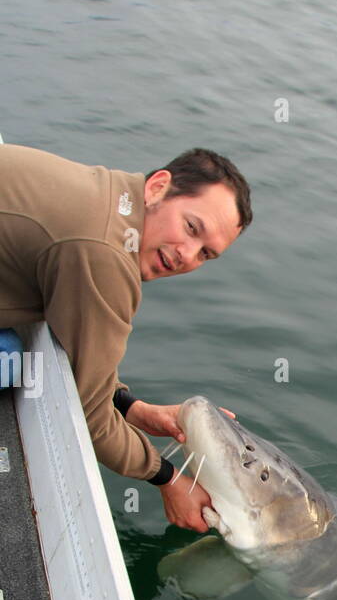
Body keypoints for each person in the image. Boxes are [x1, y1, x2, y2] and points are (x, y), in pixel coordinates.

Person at [0, 143, 252, 531]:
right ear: (158, 187)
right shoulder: (106, 254)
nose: (187, 255)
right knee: (9, 361)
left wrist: (131, 407)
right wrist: (167, 477)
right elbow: (91, 419)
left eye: (206, 254)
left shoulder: (110, 195)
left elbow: (87, 357)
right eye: (190, 227)